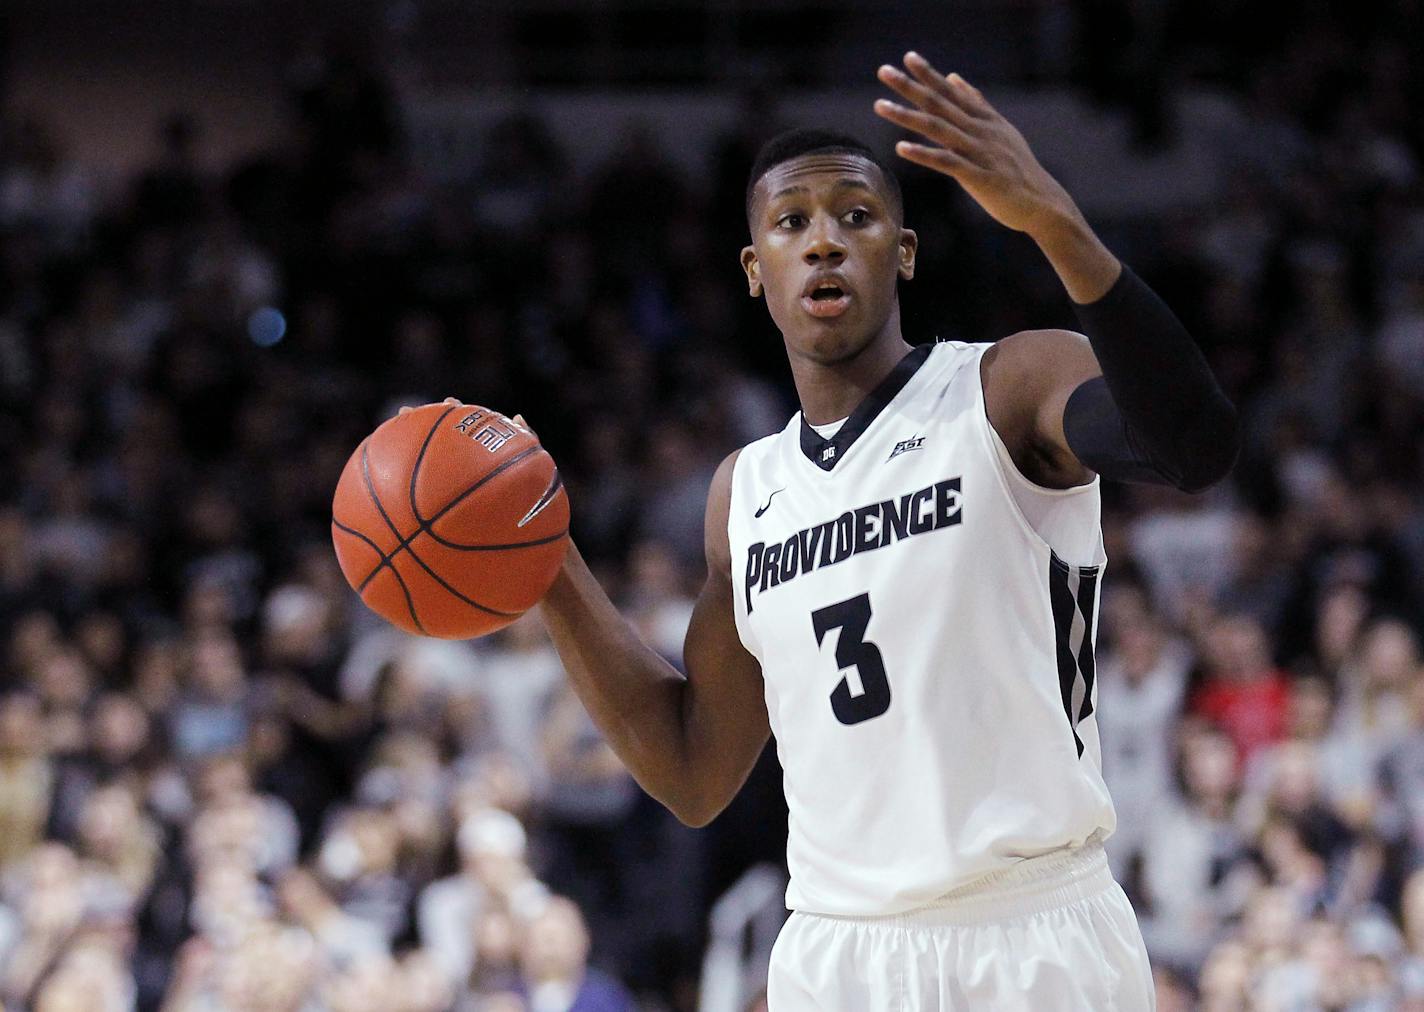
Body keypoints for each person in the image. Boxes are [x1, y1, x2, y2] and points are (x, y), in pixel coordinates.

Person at [530, 50, 1238, 1009]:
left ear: (903, 253)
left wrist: (1052, 221)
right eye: (792, 223)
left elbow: (1192, 446)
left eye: (856, 218)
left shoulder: (1006, 386)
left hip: (1030, 936)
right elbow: (694, 772)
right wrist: (546, 558)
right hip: (839, 952)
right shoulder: (744, 492)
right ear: (756, 270)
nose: (824, 242)